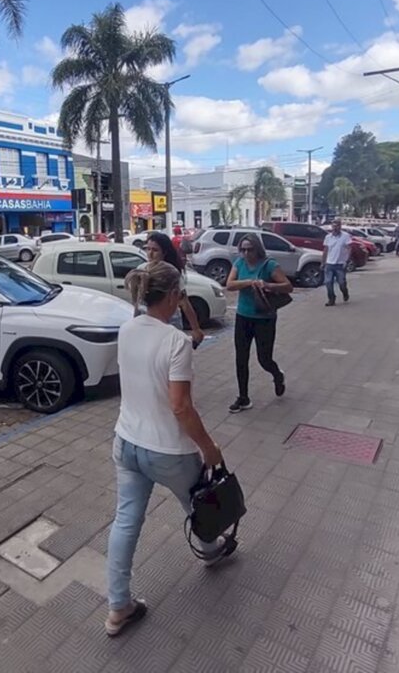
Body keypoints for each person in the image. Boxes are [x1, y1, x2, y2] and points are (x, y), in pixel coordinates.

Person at [105, 261, 233, 637]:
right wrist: (209, 447)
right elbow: (180, 406)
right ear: (176, 296)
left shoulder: (127, 329)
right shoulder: (176, 342)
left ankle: (118, 608)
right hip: (168, 451)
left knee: (125, 521)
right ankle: (211, 551)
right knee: (199, 503)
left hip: (126, 442)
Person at [225, 233, 292, 413]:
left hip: (264, 319)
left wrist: (268, 285)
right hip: (243, 316)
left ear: (257, 249)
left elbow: (288, 286)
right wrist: (248, 282)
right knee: (241, 358)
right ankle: (243, 397)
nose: (246, 253)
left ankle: (277, 375)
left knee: (264, 359)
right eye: (243, 250)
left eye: (250, 249)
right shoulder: (239, 264)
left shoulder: (269, 265)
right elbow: (229, 285)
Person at [142, 232, 204, 346]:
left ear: (164, 252)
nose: (150, 254)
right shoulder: (142, 270)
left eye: (155, 250)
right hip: (147, 323)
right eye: (148, 249)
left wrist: (196, 329)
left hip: (169, 322)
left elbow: (184, 303)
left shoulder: (172, 274)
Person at [322, 218, 353, 307]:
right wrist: (323, 262)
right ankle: (331, 299)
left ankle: (345, 292)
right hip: (329, 264)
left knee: (341, 283)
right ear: (332, 227)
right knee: (328, 282)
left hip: (340, 264)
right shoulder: (328, 237)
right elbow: (326, 250)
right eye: (334, 226)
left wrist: (347, 260)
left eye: (337, 226)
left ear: (340, 226)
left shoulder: (345, 236)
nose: (335, 228)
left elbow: (349, 248)